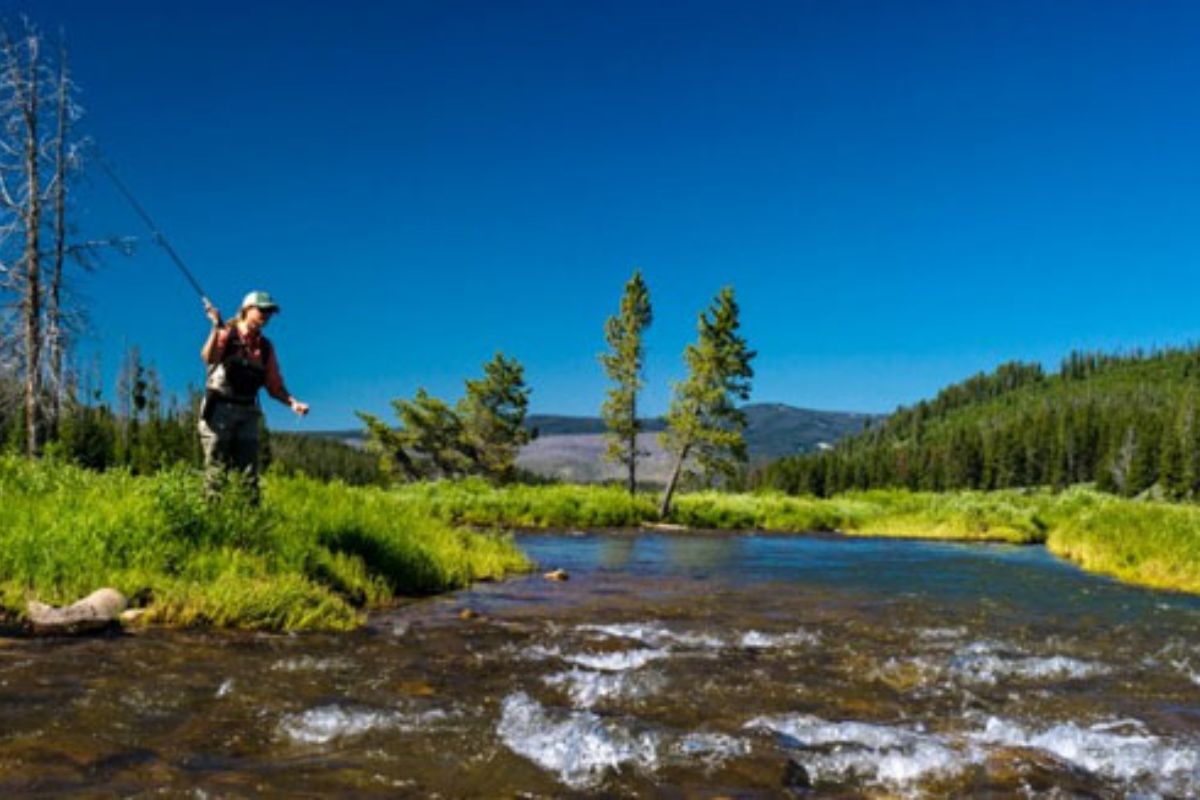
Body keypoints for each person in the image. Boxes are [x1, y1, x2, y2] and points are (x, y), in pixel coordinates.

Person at [199, 290, 309, 500]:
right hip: (219, 411)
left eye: (269, 312)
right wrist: (215, 327)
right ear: (247, 309)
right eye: (262, 310)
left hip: (248, 413)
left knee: (248, 477)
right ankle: (212, 525)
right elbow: (208, 357)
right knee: (216, 474)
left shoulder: (266, 348)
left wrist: (293, 403)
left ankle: (249, 527)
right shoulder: (226, 332)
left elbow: (274, 386)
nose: (266, 316)